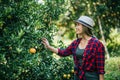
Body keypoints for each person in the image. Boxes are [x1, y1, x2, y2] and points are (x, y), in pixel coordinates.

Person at [42, 16, 105, 80]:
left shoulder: (97, 45)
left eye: (78, 25)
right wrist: (49, 47)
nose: (76, 27)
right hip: (78, 77)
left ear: (85, 27)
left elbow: (100, 69)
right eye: (76, 25)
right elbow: (63, 52)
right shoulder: (76, 43)